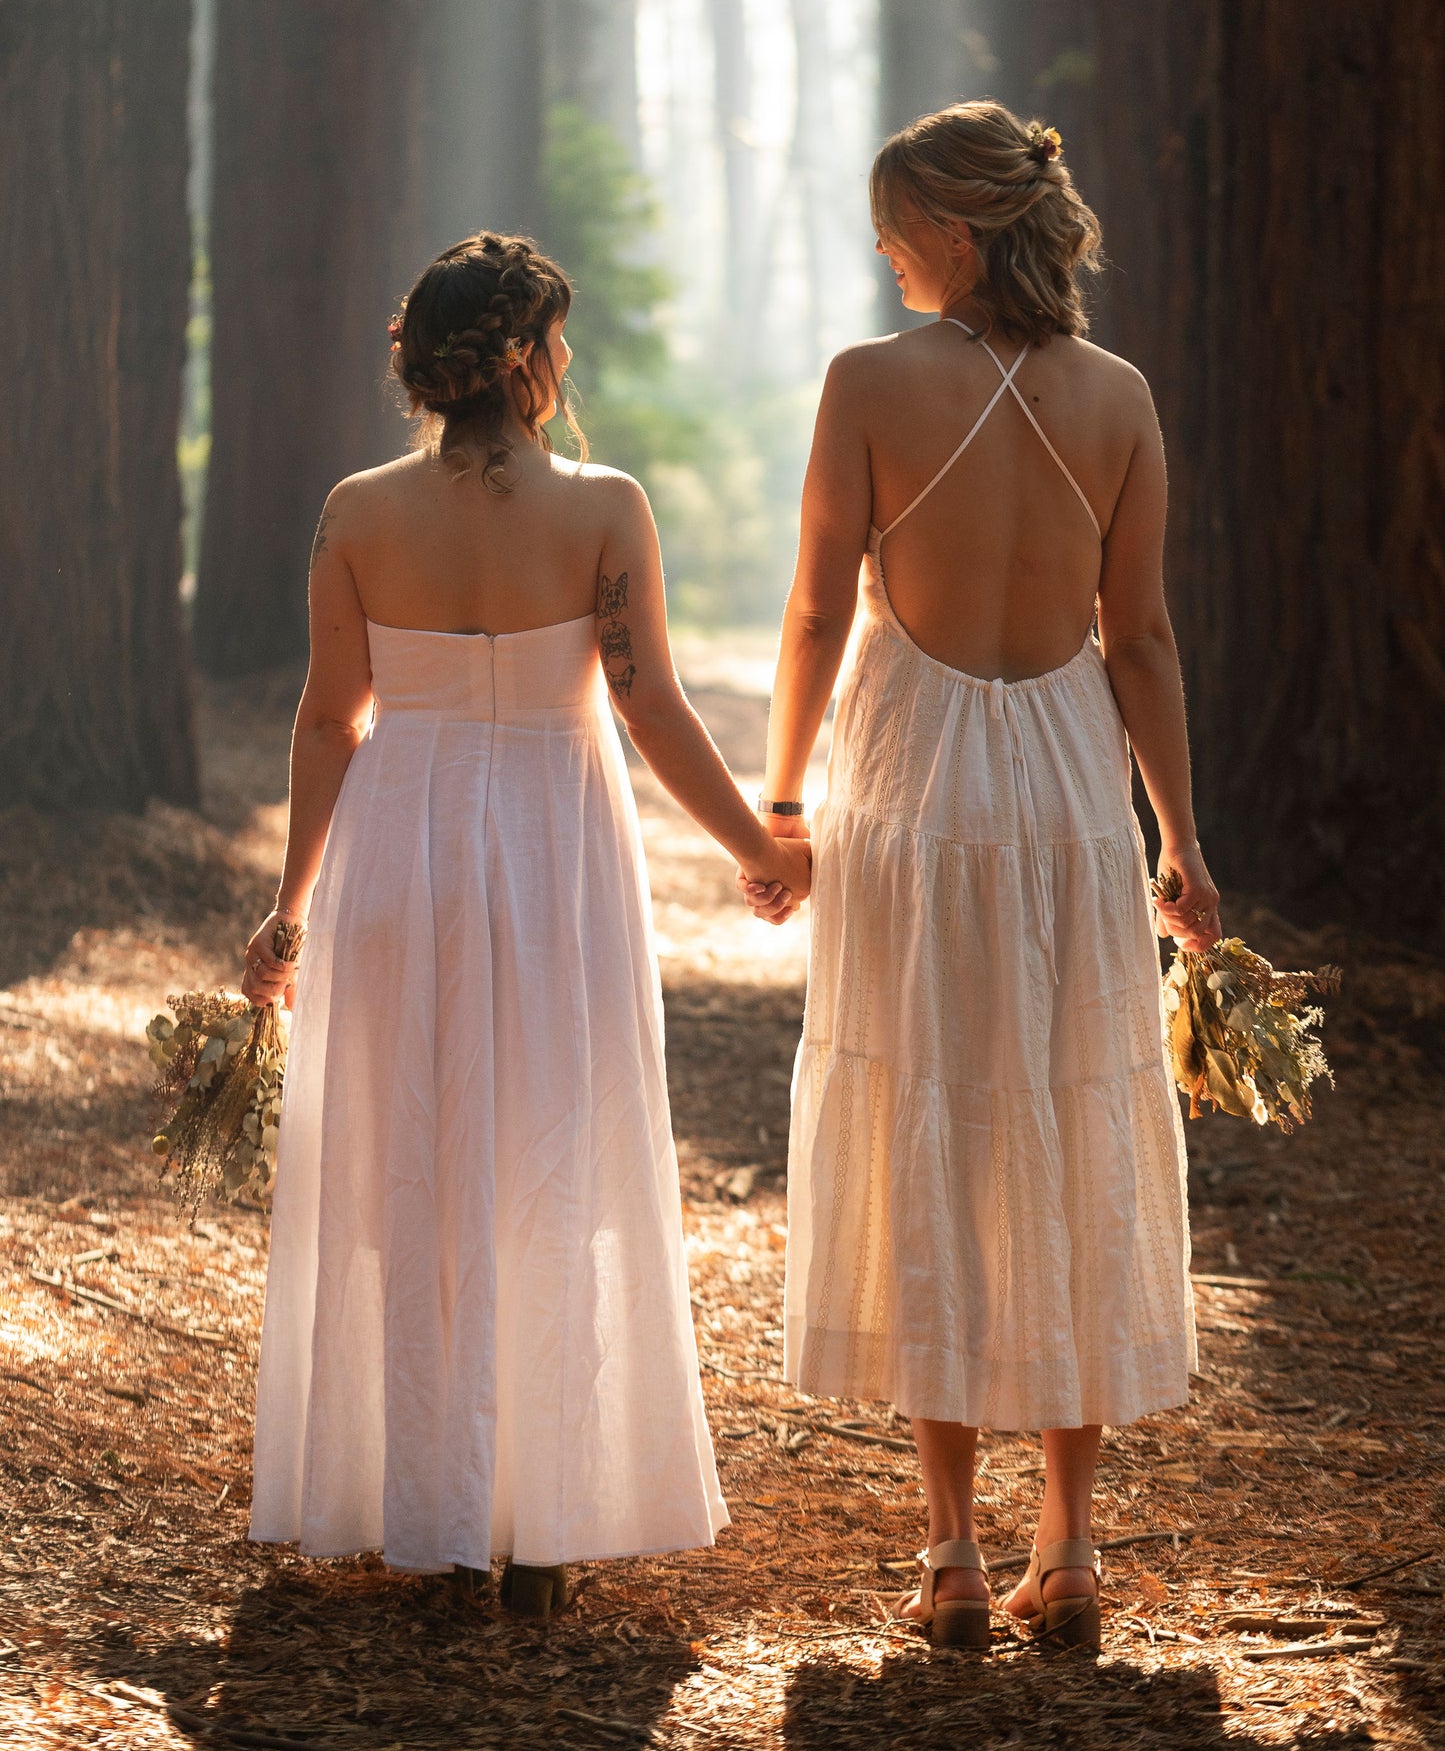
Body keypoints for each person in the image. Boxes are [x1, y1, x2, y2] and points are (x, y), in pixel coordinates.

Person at [241, 231, 810, 1617]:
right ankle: (541, 1525)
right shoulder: (605, 507)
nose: (566, 363)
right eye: (555, 340)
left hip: (405, 840)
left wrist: (290, 906)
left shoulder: (356, 513)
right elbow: (647, 703)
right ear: (517, 357)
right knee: (554, 1154)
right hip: (555, 841)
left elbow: (329, 720)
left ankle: (434, 1516)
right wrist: (760, 849)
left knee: (418, 1158)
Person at [744, 101, 1218, 1651]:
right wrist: (1183, 845)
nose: (879, 253)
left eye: (891, 225)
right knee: (1074, 1104)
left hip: (913, 773)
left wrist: (783, 793)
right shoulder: (1121, 397)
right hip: (1070, 773)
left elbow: (817, 610)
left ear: (954, 231)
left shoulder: (867, 386)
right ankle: (1068, 1546)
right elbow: (1137, 637)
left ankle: (949, 1550)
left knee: (924, 1114)